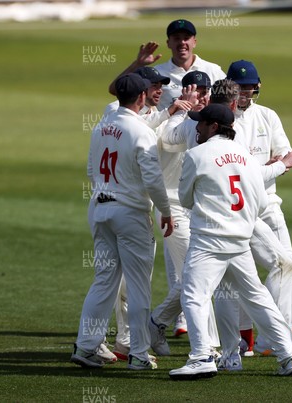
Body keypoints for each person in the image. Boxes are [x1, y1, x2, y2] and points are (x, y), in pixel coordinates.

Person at [169, 104, 292, 380]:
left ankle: (201, 357)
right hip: (240, 240)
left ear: (214, 126)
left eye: (202, 123)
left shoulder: (196, 155)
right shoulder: (246, 156)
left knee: (193, 296)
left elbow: (184, 199)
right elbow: (261, 201)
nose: (197, 128)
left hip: (208, 241)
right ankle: (288, 355)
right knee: (257, 298)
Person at [71, 73, 174, 370]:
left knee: (104, 281)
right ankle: (139, 354)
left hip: (100, 209)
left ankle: (87, 345)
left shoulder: (101, 125)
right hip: (129, 213)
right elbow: (153, 179)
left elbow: (92, 169)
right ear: (141, 98)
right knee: (140, 285)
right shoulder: (141, 132)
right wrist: (166, 211)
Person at [107, 67, 194, 361]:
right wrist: (171, 111)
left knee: (124, 278)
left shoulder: (155, 115)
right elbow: (138, 125)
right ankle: (131, 344)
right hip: (133, 205)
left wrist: (172, 112)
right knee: (123, 279)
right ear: (140, 90)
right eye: (154, 86)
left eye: (161, 85)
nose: (159, 90)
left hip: (126, 205)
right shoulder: (118, 113)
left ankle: (120, 340)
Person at [225, 60, 292, 356]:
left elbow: (286, 155)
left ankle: (283, 336)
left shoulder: (267, 116)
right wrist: (270, 166)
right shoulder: (223, 118)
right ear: (230, 86)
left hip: (269, 204)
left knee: (290, 268)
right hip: (238, 209)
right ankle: (248, 339)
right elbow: (239, 169)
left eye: (250, 88)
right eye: (241, 88)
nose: (246, 93)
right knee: (242, 278)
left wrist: (276, 165)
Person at [148, 71, 221, 357]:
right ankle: (210, 346)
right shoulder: (171, 119)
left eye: (204, 91)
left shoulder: (208, 125)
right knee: (197, 277)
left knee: (196, 277)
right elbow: (168, 139)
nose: (200, 96)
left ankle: (157, 322)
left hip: (200, 208)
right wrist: (182, 108)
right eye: (195, 91)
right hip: (172, 207)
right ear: (184, 93)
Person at [108, 19, 226, 111]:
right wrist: (138, 64)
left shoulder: (213, 70)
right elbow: (116, 89)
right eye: (177, 38)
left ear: (194, 42)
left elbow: (232, 97)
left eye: (186, 38)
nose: (182, 43)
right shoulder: (157, 74)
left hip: (203, 137)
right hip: (169, 139)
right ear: (168, 43)